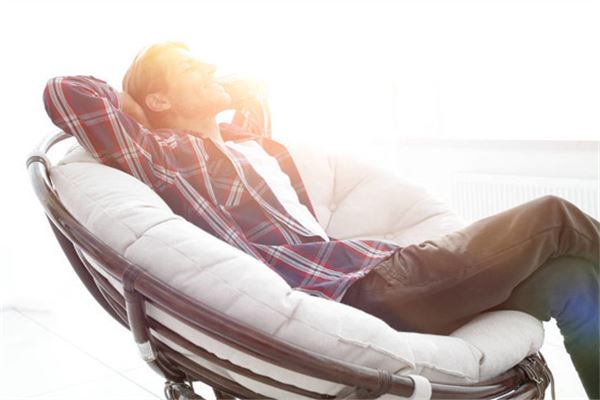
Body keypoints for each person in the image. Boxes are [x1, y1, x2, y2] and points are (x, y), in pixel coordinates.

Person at [43, 41, 599, 398]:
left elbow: (253, 96)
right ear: (159, 103)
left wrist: (209, 87)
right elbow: (68, 93)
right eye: (190, 67)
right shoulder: (167, 155)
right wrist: (144, 106)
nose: (210, 66)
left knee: (571, 277)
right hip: (360, 290)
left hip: (381, 275)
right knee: (553, 217)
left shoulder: (243, 146)